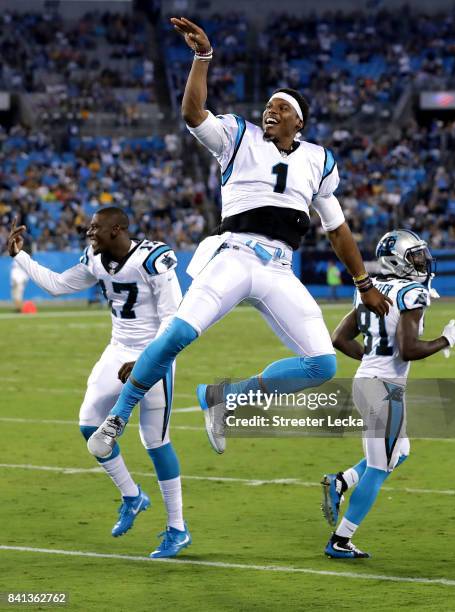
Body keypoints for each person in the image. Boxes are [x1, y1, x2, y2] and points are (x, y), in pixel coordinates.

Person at [87, 16, 391, 460]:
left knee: (322, 364)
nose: (271, 109)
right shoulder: (239, 136)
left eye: (281, 107)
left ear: (298, 121)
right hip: (234, 254)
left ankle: (225, 398)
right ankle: (117, 418)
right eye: (269, 104)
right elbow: (193, 113)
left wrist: (364, 284)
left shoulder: (319, 160)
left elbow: (337, 228)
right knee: (176, 336)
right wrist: (202, 58)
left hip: (279, 267)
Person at [7, 210, 191, 559]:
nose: (89, 231)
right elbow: (59, 286)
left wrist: (149, 358)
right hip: (117, 350)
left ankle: (177, 528)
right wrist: (21, 256)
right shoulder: (95, 258)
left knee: (155, 441)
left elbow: (174, 317)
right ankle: (132, 496)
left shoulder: (152, 259)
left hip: (154, 353)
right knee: (89, 424)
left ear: (117, 229)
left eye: (96, 227)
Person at [321, 229, 455, 559]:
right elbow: (409, 349)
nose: (422, 261)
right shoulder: (412, 292)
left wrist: (370, 361)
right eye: (415, 256)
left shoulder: (368, 290)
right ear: (397, 260)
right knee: (380, 467)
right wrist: (447, 340)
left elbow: (339, 338)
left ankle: (340, 481)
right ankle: (340, 540)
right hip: (384, 390)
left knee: (401, 451)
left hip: (367, 383)